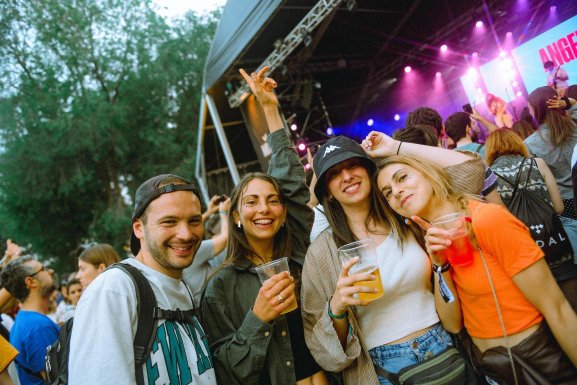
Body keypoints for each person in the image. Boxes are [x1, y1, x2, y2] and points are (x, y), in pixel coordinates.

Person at [301, 128, 490, 384]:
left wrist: (395, 148)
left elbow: (472, 169)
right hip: (381, 370)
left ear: (369, 171)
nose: (346, 176)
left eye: (353, 164)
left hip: (444, 347)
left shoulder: (407, 217)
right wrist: (337, 308)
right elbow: (321, 349)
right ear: (328, 192)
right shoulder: (321, 254)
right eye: (334, 173)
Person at [376, 154, 577, 383]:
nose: (397, 192)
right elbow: (452, 323)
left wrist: (392, 146)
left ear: (429, 174)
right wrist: (440, 265)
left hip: (536, 359)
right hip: (492, 371)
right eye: (388, 193)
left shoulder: (487, 220)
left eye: (402, 178)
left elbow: (557, 308)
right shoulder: (432, 243)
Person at [201, 66, 328, 385]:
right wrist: (258, 318)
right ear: (235, 218)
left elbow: (289, 178)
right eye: (251, 202)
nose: (264, 209)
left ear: (284, 212)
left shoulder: (298, 250)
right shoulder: (220, 286)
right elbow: (227, 373)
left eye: (273, 200)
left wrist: (270, 109)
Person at [69, 174, 216, 384]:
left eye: (194, 221)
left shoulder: (182, 287)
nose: (185, 234)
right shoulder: (114, 289)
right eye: (169, 222)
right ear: (139, 228)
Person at [525, 88, 577, 258]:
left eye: (530, 107)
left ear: (537, 109)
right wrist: (570, 103)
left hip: (566, 203)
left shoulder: (530, 144)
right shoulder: (573, 124)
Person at [0, 256, 59, 385]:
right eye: (43, 269)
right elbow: (58, 380)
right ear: (31, 282)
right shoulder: (37, 326)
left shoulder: (26, 320)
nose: (51, 272)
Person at [183, 196, 230, 305]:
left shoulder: (180, 254)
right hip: (213, 303)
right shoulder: (196, 250)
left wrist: (209, 212)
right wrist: (223, 212)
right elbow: (224, 239)